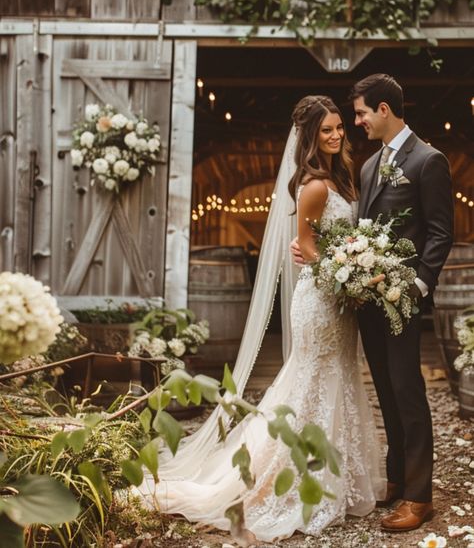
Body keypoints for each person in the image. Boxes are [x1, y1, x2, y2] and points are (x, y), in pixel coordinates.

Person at [136, 95, 384, 542]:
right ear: (309, 137)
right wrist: (346, 276)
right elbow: (305, 245)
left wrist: (355, 268)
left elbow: (332, 240)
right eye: (325, 130)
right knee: (310, 383)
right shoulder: (313, 185)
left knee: (338, 379)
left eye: (338, 128)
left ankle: (333, 479)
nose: (335, 135)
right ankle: (281, 481)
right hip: (322, 299)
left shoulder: (341, 179)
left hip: (340, 298)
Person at [349, 74, 454, 532]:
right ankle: (396, 479)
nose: (358, 122)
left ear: (385, 109)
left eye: (361, 112)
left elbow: (439, 232)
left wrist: (416, 285)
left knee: (408, 391)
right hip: (369, 302)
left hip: (404, 299)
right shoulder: (370, 166)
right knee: (387, 392)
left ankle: (419, 496)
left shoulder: (429, 160)